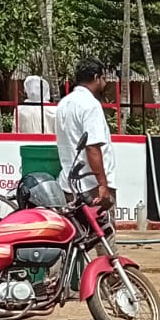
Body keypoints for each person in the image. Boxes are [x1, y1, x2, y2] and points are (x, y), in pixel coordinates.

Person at [56, 58, 115, 208]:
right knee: (102, 224)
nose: (105, 83)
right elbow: (92, 147)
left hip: (69, 185)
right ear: (96, 78)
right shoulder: (90, 105)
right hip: (92, 188)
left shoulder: (64, 103)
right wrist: (103, 185)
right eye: (103, 78)